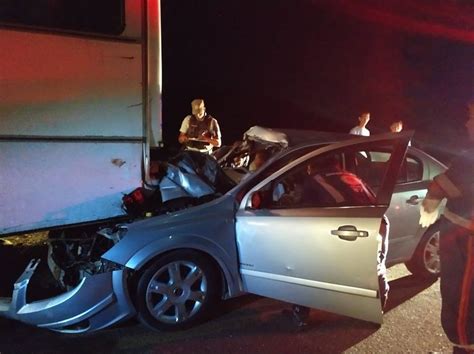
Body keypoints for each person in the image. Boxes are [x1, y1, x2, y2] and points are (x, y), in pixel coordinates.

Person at [419, 102, 474, 354]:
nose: (467, 124)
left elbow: (439, 188)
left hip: (466, 241)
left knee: (460, 297)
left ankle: (464, 346)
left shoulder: (469, 157)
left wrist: (428, 206)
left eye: (472, 118)